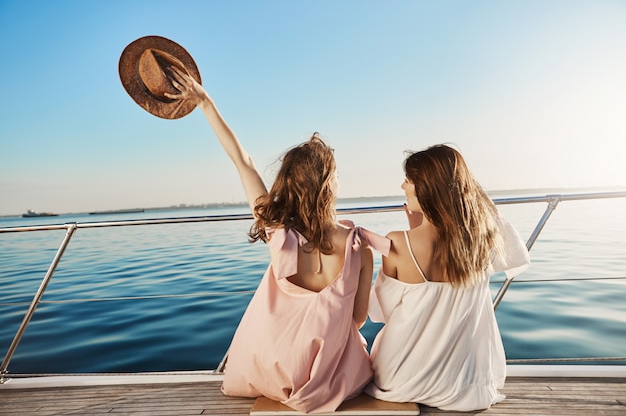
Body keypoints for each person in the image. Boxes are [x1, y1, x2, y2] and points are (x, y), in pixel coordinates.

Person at [165, 67, 390, 414]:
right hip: (327, 375)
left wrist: (206, 103)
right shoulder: (359, 247)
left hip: (275, 368)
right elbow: (357, 320)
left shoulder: (277, 231)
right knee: (353, 344)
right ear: (329, 185)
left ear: (288, 182)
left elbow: (244, 162)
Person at [364, 144, 530, 411]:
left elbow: (380, 313)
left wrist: (415, 233)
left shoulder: (397, 242)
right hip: (464, 381)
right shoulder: (485, 238)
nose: (403, 187)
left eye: (408, 180)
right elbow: (516, 259)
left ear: (426, 187)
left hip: (401, 378)